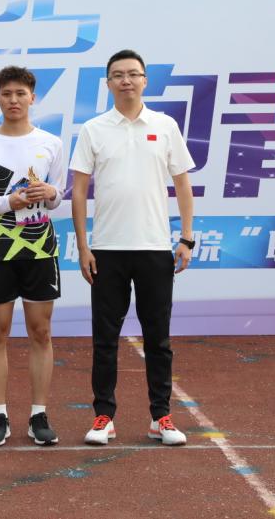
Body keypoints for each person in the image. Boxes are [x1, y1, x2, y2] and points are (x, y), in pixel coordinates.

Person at [69, 49, 195, 447]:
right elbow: (78, 191)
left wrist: (186, 237)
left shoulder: (165, 125)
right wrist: (84, 246)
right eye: (118, 75)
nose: (126, 80)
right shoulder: (94, 129)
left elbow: (183, 184)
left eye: (133, 74)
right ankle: (104, 417)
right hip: (107, 249)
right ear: (108, 83)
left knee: (159, 339)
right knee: (105, 339)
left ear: (145, 80)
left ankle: (161, 417)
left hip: (155, 248)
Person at [0, 66, 66, 447]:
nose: (14, 100)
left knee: (41, 331)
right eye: (7, 94)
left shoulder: (51, 143)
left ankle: (39, 415)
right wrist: (9, 201)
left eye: (21, 93)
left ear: (33, 98)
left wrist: (49, 193)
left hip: (39, 249)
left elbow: (58, 196)